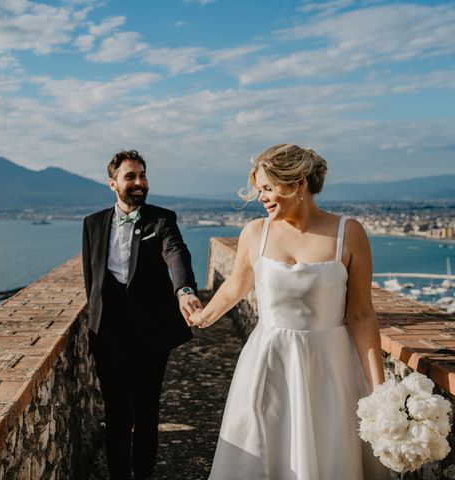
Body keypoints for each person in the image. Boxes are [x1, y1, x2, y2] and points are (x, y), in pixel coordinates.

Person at [189, 144, 389, 479]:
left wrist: (382, 392)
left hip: (332, 367)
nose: (262, 198)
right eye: (259, 190)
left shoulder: (348, 233)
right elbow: (237, 285)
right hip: (270, 361)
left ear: (297, 184)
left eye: (267, 188)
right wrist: (203, 316)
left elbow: (362, 315)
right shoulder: (256, 232)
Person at [82, 149, 202, 479]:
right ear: (113, 183)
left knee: (148, 412)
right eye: (130, 176)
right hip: (108, 334)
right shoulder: (92, 224)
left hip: (151, 333)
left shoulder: (161, 219)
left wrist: (185, 290)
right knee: (118, 414)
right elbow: (90, 279)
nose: (139, 182)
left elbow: (176, 254)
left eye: (142, 175)